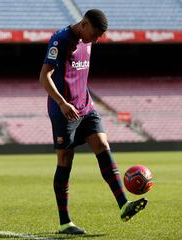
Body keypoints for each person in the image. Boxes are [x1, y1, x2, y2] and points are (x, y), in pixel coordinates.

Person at [39, 9, 148, 235]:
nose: (96, 40)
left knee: (103, 145)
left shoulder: (88, 40)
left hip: (86, 107)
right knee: (65, 162)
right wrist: (62, 103)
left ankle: (123, 204)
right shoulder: (60, 41)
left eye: (99, 36)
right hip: (64, 111)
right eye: (95, 34)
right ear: (84, 24)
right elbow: (44, 77)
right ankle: (65, 222)